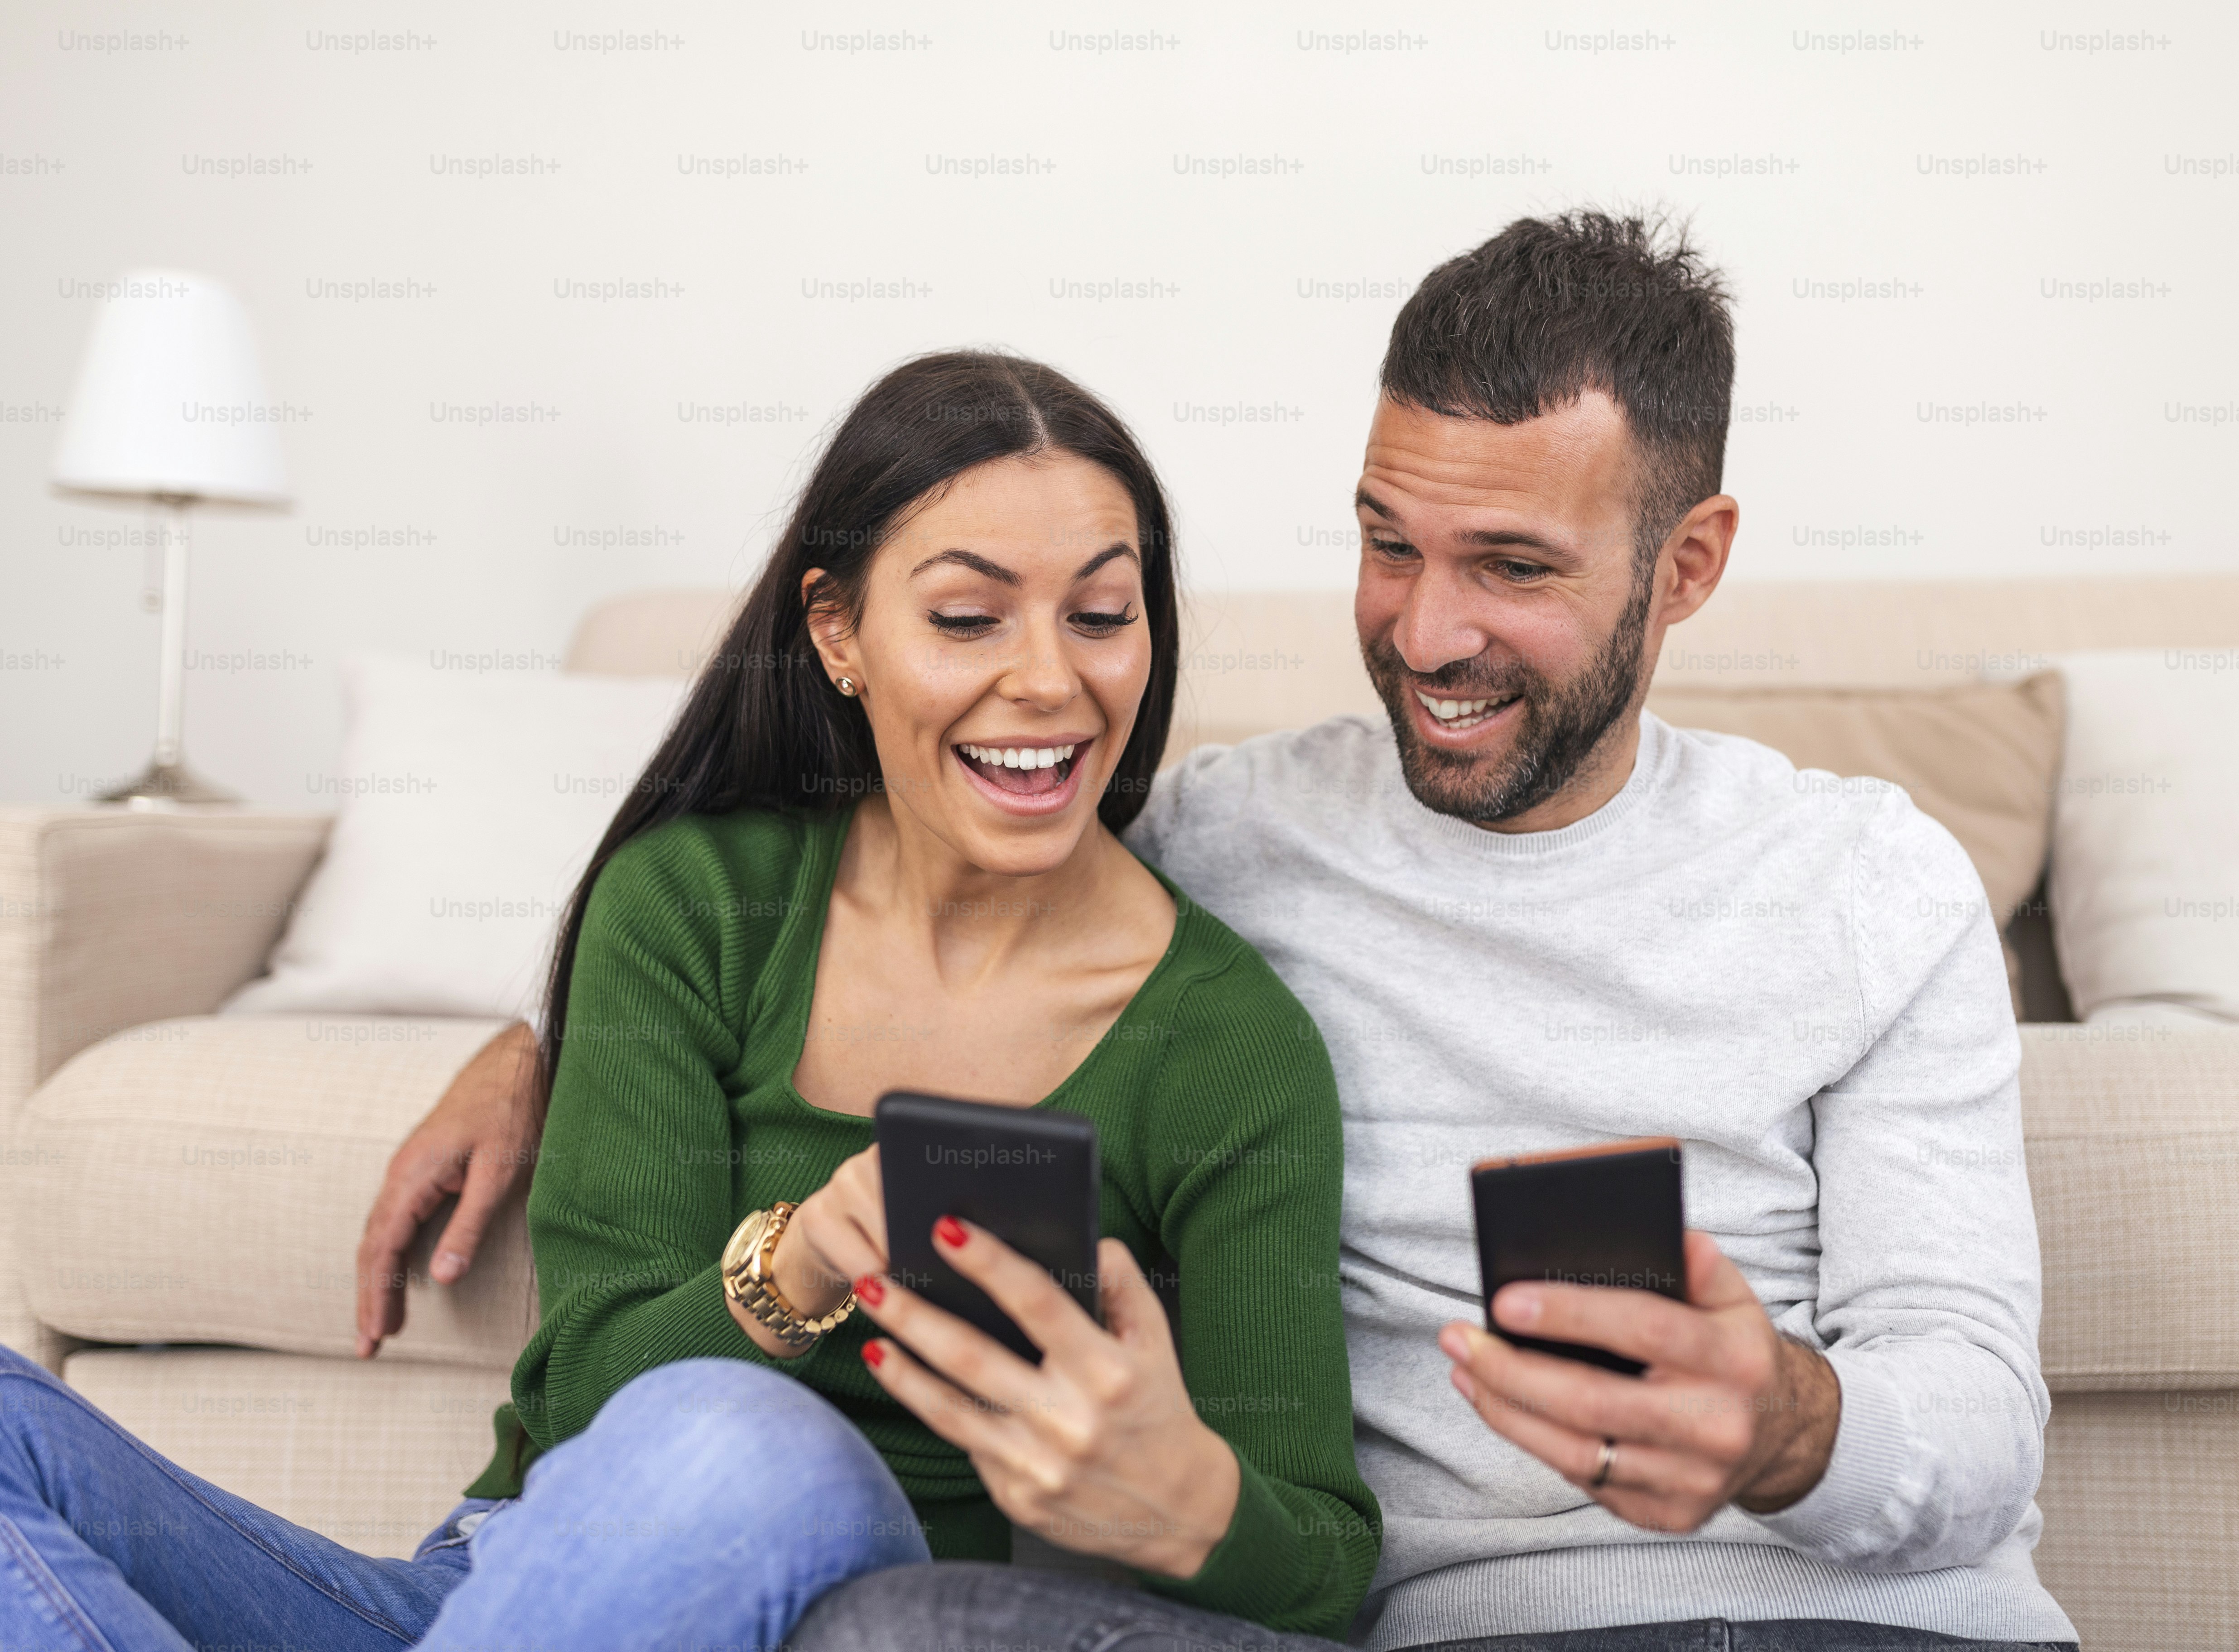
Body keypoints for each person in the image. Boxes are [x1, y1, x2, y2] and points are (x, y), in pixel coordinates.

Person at [365, 213, 2081, 1652]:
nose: (1426, 632)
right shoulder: (1222, 840)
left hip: (1881, 1622)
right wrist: (552, 1037)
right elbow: (914, 876)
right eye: (1387, 544)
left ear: (1687, 565)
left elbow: (1979, 1413)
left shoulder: (1866, 879)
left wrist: (1786, 1419)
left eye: (1513, 569)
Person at [0, 351, 1378, 1651]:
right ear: (837, 633)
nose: (1049, 679)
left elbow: (1320, 1555)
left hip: (842, 1603)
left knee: (740, 1443)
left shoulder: (1225, 1045)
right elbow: (595, 1398)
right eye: (967, 617)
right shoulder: (694, 904)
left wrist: (1181, 1490)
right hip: (505, 1587)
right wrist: (806, 1259)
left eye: (1100, 613)